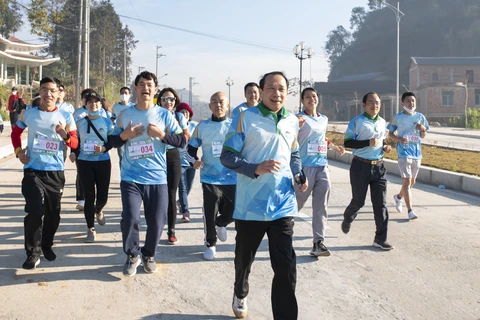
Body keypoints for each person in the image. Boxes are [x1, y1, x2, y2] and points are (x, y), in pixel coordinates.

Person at [221, 71, 308, 319]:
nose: (276, 93)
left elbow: (294, 154)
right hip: (251, 206)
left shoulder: (291, 121)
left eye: (281, 89)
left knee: (286, 267)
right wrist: (253, 168)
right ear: (261, 91)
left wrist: (299, 175)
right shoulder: (244, 118)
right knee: (243, 261)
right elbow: (227, 156)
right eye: (271, 88)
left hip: (282, 204)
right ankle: (240, 291)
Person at [111, 71, 186, 276]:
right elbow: (112, 140)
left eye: (149, 85)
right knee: (131, 217)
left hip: (157, 177)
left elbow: (181, 141)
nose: (146, 88)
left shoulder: (164, 114)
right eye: (141, 84)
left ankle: (149, 254)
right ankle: (132, 254)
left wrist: (162, 135)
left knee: (157, 220)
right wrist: (124, 135)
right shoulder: (125, 114)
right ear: (135, 89)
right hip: (131, 177)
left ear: (155, 89)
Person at [11, 76, 79, 269]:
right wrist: (19, 152)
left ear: (58, 93)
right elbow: (15, 134)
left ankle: (46, 244)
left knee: (53, 214)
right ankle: (32, 252)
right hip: (33, 170)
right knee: (34, 211)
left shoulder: (66, 116)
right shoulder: (28, 114)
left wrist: (64, 135)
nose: (48, 94)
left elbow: (75, 143)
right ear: (39, 92)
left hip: (55, 171)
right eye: (44, 90)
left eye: (52, 90)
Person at [295, 87, 345, 257]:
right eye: (307, 97)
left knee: (321, 206)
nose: (311, 99)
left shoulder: (323, 119)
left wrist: (334, 147)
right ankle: (282, 227)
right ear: (302, 101)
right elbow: (289, 139)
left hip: (322, 165)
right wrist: (296, 127)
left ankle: (318, 242)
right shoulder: (298, 119)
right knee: (297, 203)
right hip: (304, 166)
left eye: (314, 96)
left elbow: (321, 138)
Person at [341, 92, 393, 251]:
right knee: (359, 201)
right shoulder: (357, 121)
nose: (374, 105)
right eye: (370, 102)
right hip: (360, 166)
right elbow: (348, 142)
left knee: (381, 204)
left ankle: (380, 239)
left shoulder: (383, 122)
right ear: (364, 105)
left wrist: (385, 147)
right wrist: (367, 142)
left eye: (377, 102)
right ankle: (348, 216)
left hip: (379, 166)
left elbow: (381, 141)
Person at [188, 92, 236, 260]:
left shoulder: (234, 126)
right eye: (214, 102)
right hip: (209, 176)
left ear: (227, 105)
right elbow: (189, 149)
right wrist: (194, 160)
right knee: (210, 210)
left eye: (221, 102)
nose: (218, 105)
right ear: (210, 106)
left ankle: (221, 223)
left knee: (234, 211)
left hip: (232, 176)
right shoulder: (202, 127)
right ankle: (210, 243)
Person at [75, 92, 115, 242]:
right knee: (88, 195)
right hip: (84, 162)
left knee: (102, 196)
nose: (93, 104)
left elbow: (112, 140)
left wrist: (105, 148)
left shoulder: (107, 122)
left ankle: (99, 209)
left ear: (100, 104)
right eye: (90, 102)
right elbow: (76, 141)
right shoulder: (80, 122)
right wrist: (74, 153)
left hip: (102, 161)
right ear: (85, 105)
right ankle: (90, 229)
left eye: (96, 102)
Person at [387, 92, 429, 220]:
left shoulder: (420, 117)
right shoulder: (397, 118)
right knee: (406, 180)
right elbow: (390, 133)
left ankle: (398, 197)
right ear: (402, 103)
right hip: (403, 152)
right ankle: (410, 211)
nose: (411, 104)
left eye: (413, 101)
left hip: (416, 152)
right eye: (408, 101)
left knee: (411, 181)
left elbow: (423, 136)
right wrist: (398, 139)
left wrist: (423, 129)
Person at [157, 87, 190, 245]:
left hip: (172, 156)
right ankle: (156, 227)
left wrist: (166, 137)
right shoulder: (154, 114)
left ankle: (171, 230)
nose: (168, 102)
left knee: (171, 193)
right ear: (159, 101)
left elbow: (185, 137)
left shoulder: (179, 116)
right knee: (157, 193)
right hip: (155, 156)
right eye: (164, 99)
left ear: (175, 101)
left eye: (171, 99)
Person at [176, 102, 198, 222]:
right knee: (183, 187)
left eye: (186, 112)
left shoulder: (194, 126)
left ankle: (180, 202)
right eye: (181, 112)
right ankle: (185, 212)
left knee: (189, 186)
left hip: (192, 162)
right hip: (179, 162)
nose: (184, 114)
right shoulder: (174, 127)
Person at [112, 87, 135, 166]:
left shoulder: (133, 106)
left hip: (131, 132)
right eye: (122, 93)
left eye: (126, 93)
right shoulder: (115, 106)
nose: (124, 95)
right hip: (120, 133)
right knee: (121, 155)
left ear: (129, 95)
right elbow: (113, 117)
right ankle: (123, 172)